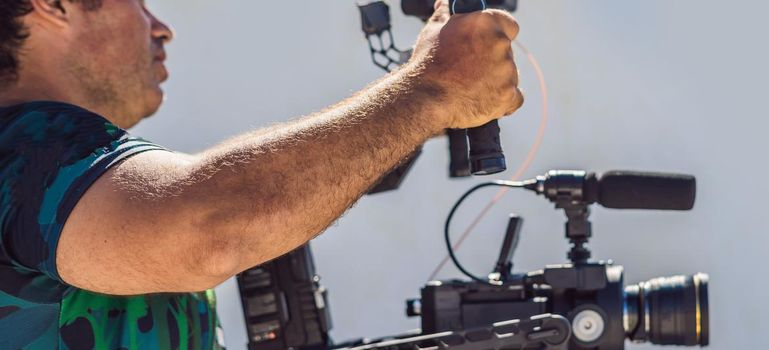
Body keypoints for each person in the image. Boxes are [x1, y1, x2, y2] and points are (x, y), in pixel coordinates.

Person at [0, 0, 522, 348]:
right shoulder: (25, 146)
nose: (161, 26)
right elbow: (206, 229)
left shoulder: (57, 160)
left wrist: (409, 114)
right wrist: (428, 93)